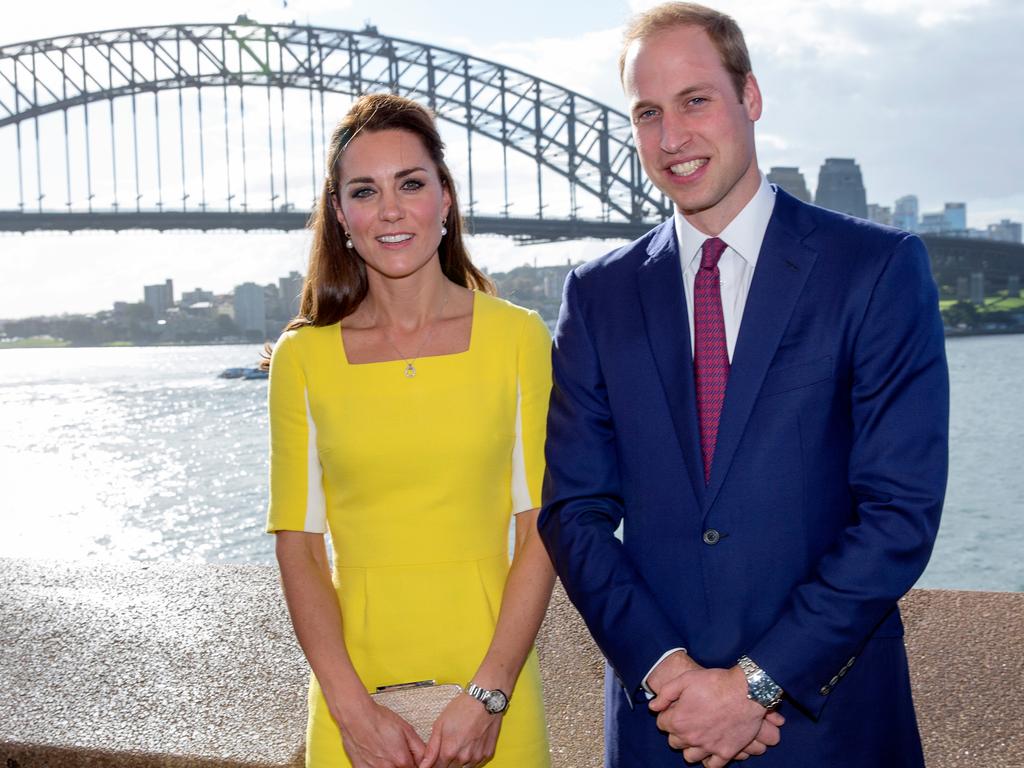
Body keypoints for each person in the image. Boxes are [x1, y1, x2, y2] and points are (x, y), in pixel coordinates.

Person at [538, 4, 949, 767]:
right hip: (663, 730)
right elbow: (574, 515)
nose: (672, 138)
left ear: (750, 99)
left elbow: (900, 513)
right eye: (647, 113)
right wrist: (671, 676)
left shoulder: (876, 269)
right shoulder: (596, 296)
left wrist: (755, 685)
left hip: (833, 726)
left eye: (696, 101)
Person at [267, 93, 554, 768]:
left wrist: (489, 695)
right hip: (352, 708)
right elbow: (299, 548)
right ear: (340, 214)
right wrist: (351, 712)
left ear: (446, 199)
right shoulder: (301, 360)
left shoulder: (519, 340)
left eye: (412, 184)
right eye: (365, 191)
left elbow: (541, 527)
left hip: (496, 701)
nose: (391, 210)